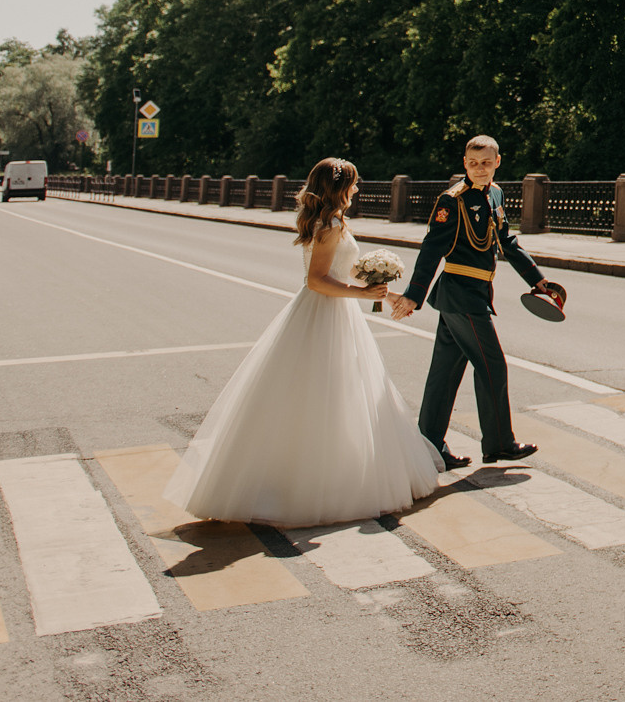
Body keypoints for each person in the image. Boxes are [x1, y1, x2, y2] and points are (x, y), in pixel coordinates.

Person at [165, 158, 444, 526]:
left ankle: (329, 472)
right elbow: (317, 280)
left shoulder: (329, 222)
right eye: (354, 184)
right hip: (324, 313)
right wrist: (363, 296)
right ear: (339, 187)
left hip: (331, 312)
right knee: (327, 395)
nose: (358, 190)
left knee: (333, 395)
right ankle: (321, 483)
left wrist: (383, 295)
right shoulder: (329, 225)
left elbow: (340, 275)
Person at [390, 135, 566, 468]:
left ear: (498, 162)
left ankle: (428, 447)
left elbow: (506, 242)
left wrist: (537, 280)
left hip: (473, 294)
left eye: (486, 163)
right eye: (472, 163)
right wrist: (414, 294)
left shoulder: (496, 193)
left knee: (444, 373)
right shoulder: (451, 200)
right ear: (464, 163)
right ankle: (499, 443)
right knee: (493, 365)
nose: (479, 169)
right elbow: (431, 249)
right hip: (461, 295)